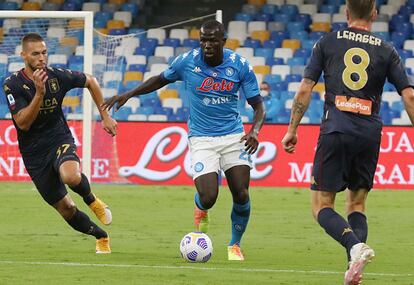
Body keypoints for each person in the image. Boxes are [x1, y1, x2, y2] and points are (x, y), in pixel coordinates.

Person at [102, 20, 265, 261]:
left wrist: (255, 131)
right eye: (203, 40)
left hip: (233, 136)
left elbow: (258, 106)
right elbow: (160, 79)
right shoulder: (187, 61)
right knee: (209, 197)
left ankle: (234, 245)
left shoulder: (239, 65)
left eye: (212, 40)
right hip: (201, 138)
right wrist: (129, 93)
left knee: (241, 193)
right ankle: (201, 207)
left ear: (223, 42)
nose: (207, 45)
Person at [281, 1, 414, 284]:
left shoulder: (327, 42)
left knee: (321, 206)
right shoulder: (386, 49)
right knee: (356, 205)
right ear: (374, 15)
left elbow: (306, 88)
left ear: (346, 12)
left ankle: (354, 247)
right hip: (369, 133)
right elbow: (409, 96)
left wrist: (292, 129)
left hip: (336, 128)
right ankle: (353, 269)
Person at [3, 33, 118, 254]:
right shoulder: (12, 84)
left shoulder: (57, 76)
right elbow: (23, 123)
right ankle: (101, 236)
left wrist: (104, 115)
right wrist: (39, 94)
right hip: (34, 153)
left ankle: (92, 200)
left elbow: (91, 81)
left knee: (71, 176)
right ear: (23, 55)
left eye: (44, 52)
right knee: (66, 209)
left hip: (58, 138)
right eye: (35, 53)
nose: (41, 58)